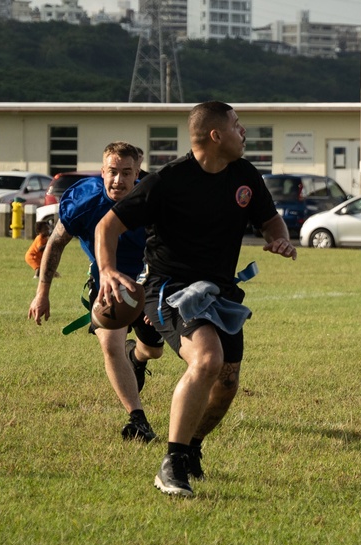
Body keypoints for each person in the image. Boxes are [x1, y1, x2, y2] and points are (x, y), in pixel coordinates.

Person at [95, 101, 297, 499]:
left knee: (227, 383)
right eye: (238, 126)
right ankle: (170, 464)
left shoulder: (244, 176)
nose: (245, 133)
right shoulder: (168, 180)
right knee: (207, 359)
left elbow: (269, 217)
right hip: (170, 289)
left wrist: (280, 236)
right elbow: (109, 225)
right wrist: (106, 270)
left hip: (219, 292)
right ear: (215, 135)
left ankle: (191, 448)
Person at [28, 141, 164, 443]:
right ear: (102, 171)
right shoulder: (83, 200)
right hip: (105, 280)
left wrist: (158, 293)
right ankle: (137, 419)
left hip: (148, 278)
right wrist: (42, 292)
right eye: (112, 172)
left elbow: (170, 251)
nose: (118, 180)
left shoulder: (153, 199)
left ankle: (137, 358)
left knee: (154, 350)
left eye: (126, 173)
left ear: (137, 173)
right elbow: (56, 242)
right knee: (110, 342)